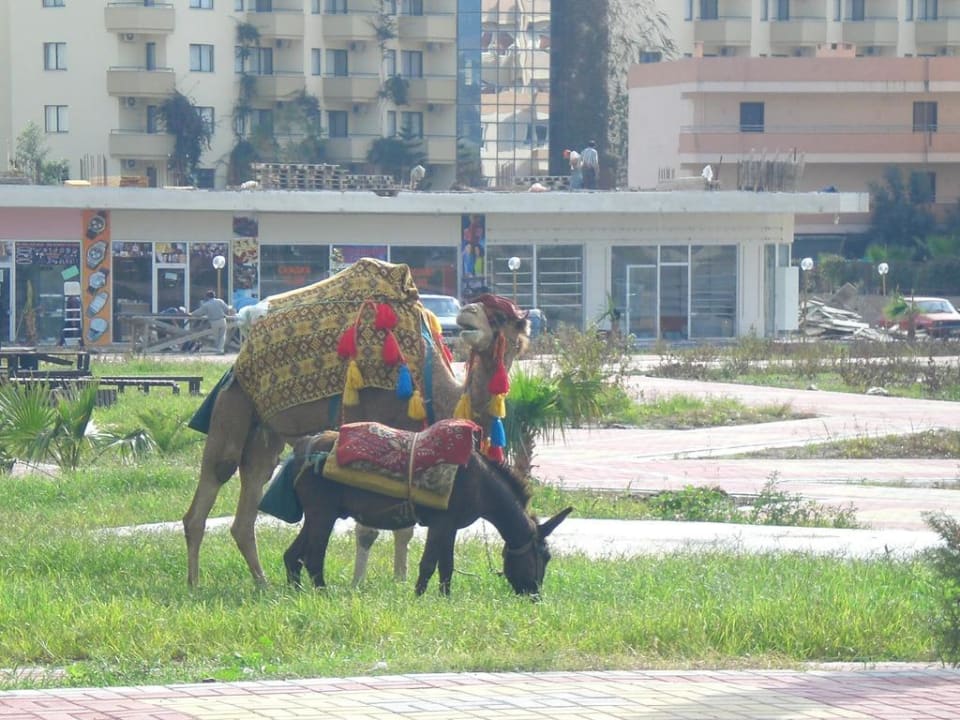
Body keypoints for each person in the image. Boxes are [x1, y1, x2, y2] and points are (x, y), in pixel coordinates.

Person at [191, 290, 231, 354]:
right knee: (222, 336)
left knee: (216, 336)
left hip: (214, 322)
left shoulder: (206, 305)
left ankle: (218, 350)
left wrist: (191, 313)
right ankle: (220, 350)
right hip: (222, 320)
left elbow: (198, 312)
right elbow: (227, 309)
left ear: (207, 297)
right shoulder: (219, 301)